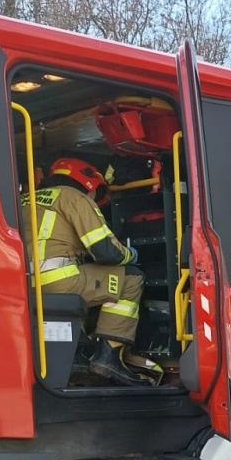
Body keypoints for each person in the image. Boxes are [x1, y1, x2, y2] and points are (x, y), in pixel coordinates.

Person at [25, 157, 158, 385]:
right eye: (96, 195)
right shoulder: (73, 197)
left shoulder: (25, 200)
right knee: (131, 277)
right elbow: (107, 252)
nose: (94, 200)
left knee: (93, 278)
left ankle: (80, 349)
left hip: (24, 286)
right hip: (59, 281)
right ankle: (109, 358)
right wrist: (130, 254)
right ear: (88, 183)